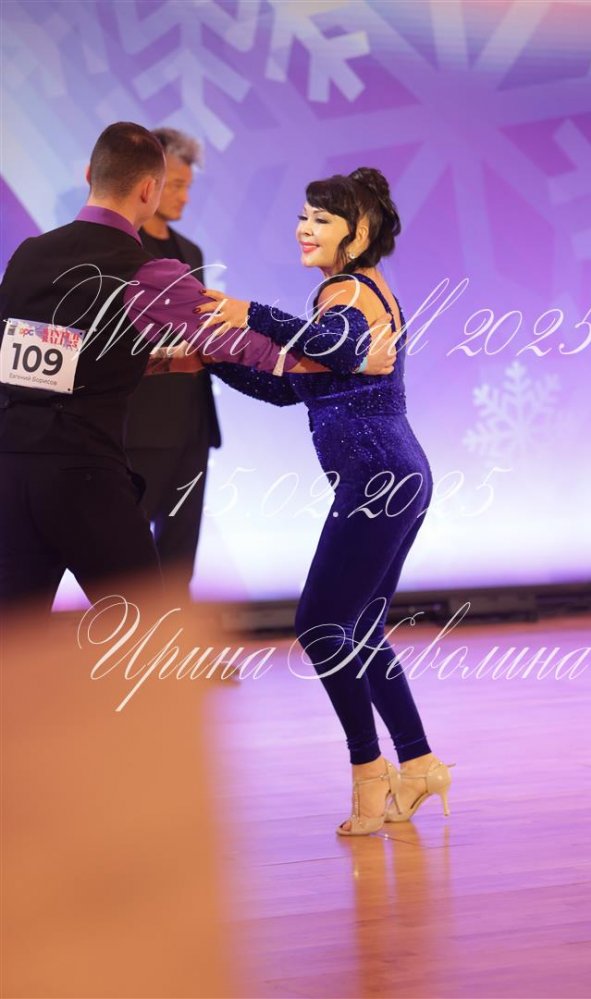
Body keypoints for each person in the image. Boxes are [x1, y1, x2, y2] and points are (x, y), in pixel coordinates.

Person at [0, 124, 395, 615]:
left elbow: (54, 357)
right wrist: (349, 359)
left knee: (12, 638)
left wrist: (160, 363)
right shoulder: (147, 272)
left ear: (89, 177)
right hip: (85, 478)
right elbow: (243, 346)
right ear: (149, 189)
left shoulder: (27, 256)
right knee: (146, 631)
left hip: (11, 471)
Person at [198, 168, 455, 836]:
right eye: (303, 216)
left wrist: (249, 313)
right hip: (394, 474)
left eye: (320, 219)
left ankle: (370, 771)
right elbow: (291, 387)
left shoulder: (348, 292)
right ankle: (419, 762)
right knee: (359, 628)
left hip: (380, 478)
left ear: (358, 232)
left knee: (319, 624)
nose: (304, 229)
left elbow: (336, 346)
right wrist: (211, 356)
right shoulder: (350, 292)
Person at [125, 128, 220, 600]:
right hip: (141, 428)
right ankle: (129, 639)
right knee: (130, 554)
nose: (184, 196)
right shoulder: (123, 249)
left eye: (188, 186)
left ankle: (175, 641)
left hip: (192, 426)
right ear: (150, 183)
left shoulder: (191, 251)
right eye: (176, 185)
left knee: (181, 552)